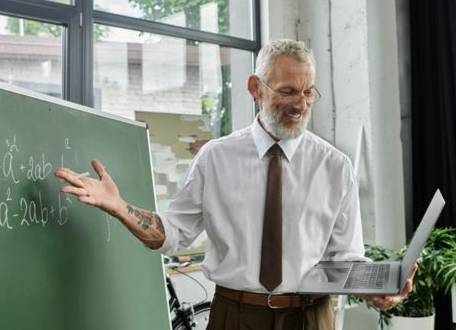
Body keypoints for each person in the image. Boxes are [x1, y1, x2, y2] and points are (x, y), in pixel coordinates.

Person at [55, 39, 415, 330]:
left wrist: (373, 287)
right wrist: (120, 208)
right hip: (236, 316)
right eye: (289, 91)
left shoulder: (335, 166)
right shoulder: (215, 158)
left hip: (311, 317)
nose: (300, 104)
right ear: (255, 88)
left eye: (308, 92)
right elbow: (173, 233)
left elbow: (344, 257)